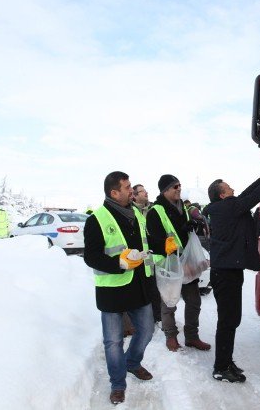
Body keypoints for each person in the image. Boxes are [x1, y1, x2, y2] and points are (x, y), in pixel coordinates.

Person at [204, 165, 260, 382]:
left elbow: (245, 196)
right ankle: (221, 367)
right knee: (228, 321)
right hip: (225, 274)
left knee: (231, 319)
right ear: (222, 195)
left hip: (229, 272)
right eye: (229, 188)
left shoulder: (226, 207)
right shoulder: (225, 208)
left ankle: (226, 361)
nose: (233, 190)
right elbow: (250, 198)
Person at [83, 171, 155, 405]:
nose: (131, 191)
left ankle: (132, 363)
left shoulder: (137, 214)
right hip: (112, 291)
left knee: (146, 331)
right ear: (114, 193)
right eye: (127, 187)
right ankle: (117, 383)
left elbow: (145, 244)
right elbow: (91, 257)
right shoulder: (97, 219)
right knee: (113, 342)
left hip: (139, 286)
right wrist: (119, 263)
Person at [147, 174, 211, 352]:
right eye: (175, 186)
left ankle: (192, 336)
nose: (179, 189)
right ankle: (171, 336)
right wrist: (169, 243)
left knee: (194, 301)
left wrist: (192, 227)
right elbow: (154, 240)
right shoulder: (155, 211)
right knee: (169, 302)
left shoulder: (182, 206)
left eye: (179, 186)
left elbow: (187, 230)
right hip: (169, 263)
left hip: (186, 262)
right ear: (165, 190)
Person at [131, 183, 161, 325]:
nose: (146, 193)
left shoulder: (152, 209)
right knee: (141, 291)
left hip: (153, 258)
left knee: (154, 289)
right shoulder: (131, 212)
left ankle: (157, 317)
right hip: (138, 259)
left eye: (145, 190)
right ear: (134, 196)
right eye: (142, 191)